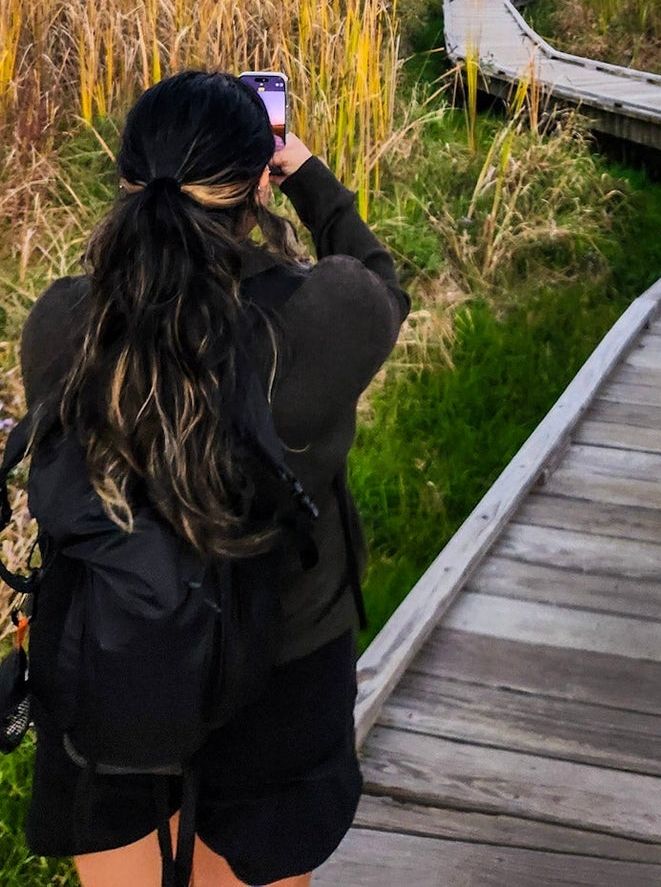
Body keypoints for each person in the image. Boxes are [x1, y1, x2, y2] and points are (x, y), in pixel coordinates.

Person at [17, 69, 410, 887]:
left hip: (111, 654)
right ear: (255, 186)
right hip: (282, 665)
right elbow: (378, 277)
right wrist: (302, 168)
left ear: (126, 185)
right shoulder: (324, 320)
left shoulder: (61, 328)